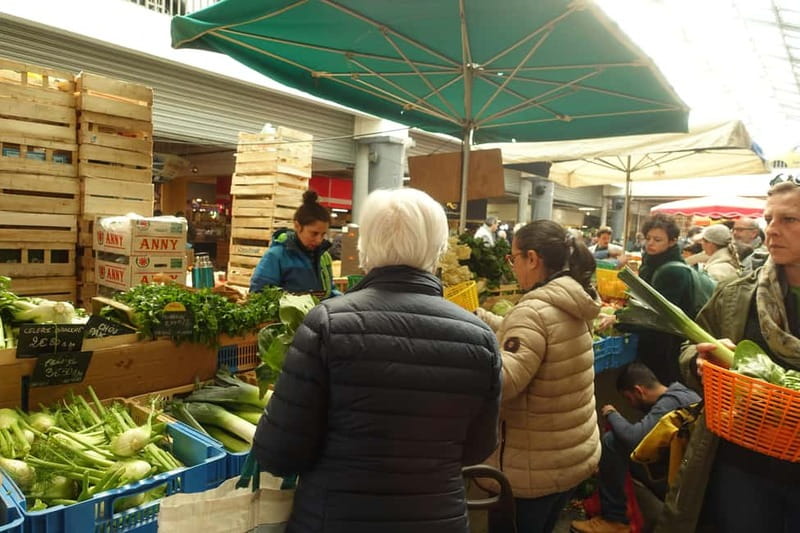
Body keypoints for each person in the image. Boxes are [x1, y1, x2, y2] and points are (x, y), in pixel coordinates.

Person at [252, 188, 502, 533]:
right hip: (437, 519)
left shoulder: (327, 324)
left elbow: (278, 452)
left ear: (365, 246)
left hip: (335, 519)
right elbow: (478, 448)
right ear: (439, 249)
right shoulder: (480, 338)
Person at [656, 179, 800, 533]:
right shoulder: (739, 295)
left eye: (790, 220)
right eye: (770, 220)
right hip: (742, 463)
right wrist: (698, 362)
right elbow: (689, 349)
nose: (773, 232)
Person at [475, 219, 601, 533]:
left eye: (514, 258)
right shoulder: (574, 300)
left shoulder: (532, 311)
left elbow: (505, 382)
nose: (513, 266)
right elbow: (531, 336)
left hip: (531, 469)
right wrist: (479, 319)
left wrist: (461, 354)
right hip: (568, 457)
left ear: (533, 259)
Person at [571, 363, 701, 533]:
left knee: (613, 442)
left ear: (639, 391)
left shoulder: (669, 404)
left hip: (680, 481)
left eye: (628, 398)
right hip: (684, 469)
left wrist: (611, 413)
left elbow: (633, 438)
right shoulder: (682, 393)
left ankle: (614, 519)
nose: (630, 404)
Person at [249, 190, 337, 297]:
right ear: (297, 226)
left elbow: (330, 291)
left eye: (323, 234)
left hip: (318, 313)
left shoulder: (325, 257)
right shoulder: (276, 256)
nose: (319, 240)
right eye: (314, 233)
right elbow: (258, 293)